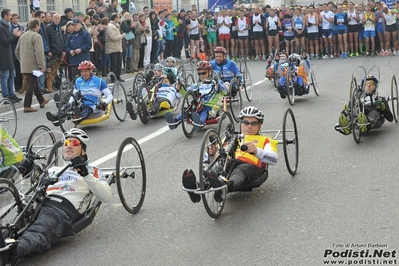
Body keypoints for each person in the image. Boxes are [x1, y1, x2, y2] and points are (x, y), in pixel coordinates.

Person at [2, 128, 112, 265]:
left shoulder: (92, 170)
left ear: (83, 150)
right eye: (66, 142)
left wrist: (85, 174)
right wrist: (25, 176)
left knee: (37, 233)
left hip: (60, 210)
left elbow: (106, 196)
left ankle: (9, 253)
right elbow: (27, 194)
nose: (68, 145)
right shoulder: (53, 170)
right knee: (12, 227)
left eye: (74, 143)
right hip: (39, 204)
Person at [181, 106, 278, 203]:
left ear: (260, 126)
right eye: (245, 122)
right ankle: (197, 187)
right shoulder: (230, 138)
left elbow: (274, 158)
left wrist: (257, 151)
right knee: (216, 169)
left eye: (254, 123)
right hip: (228, 162)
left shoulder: (265, 140)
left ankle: (224, 188)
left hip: (249, 166)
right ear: (241, 123)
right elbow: (214, 158)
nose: (249, 126)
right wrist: (211, 153)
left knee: (240, 171)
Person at [164, 61, 227, 131]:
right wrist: (180, 88)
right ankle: (174, 121)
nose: (201, 76)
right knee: (188, 110)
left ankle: (200, 121)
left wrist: (218, 87)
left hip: (211, 106)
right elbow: (187, 94)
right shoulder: (197, 84)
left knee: (204, 111)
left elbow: (225, 91)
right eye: (199, 74)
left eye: (203, 73)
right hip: (198, 104)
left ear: (210, 72)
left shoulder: (216, 82)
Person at [46, 61, 113, 124]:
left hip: (93, 107)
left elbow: (110, 95)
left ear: (90, 71)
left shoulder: (99, 81)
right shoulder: (78, 81)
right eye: (82, 72)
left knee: (86, 108)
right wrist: (69, 102)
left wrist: (105, 103)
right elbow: (74, 94)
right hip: (80, 103)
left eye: (85, 71)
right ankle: (57, 116)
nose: (83, 74)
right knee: (68, 106)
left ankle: (79, 116)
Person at [15, 18, 50, 113]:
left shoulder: (23, 36)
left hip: (25, 64)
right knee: (31, 83)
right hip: (34, 65)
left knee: (34, 83)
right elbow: (39, 52)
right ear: (37, 26)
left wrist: (22, 61)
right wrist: (42, 65)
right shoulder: (36, 36)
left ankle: (41, 101)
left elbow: (16, 51)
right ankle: (27, 105)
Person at [0, 9, 23, 103]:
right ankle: (6, 96)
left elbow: (9, 40)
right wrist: (14, 35)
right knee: (5, 75)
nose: (11, 17)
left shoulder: (6, 25)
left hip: (9, 53)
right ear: (5, 16)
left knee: (12, 74)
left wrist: (16, 35)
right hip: (3, 55)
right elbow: (5, 41)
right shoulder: (1, 27)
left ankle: (12, 94)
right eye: (10, 16)